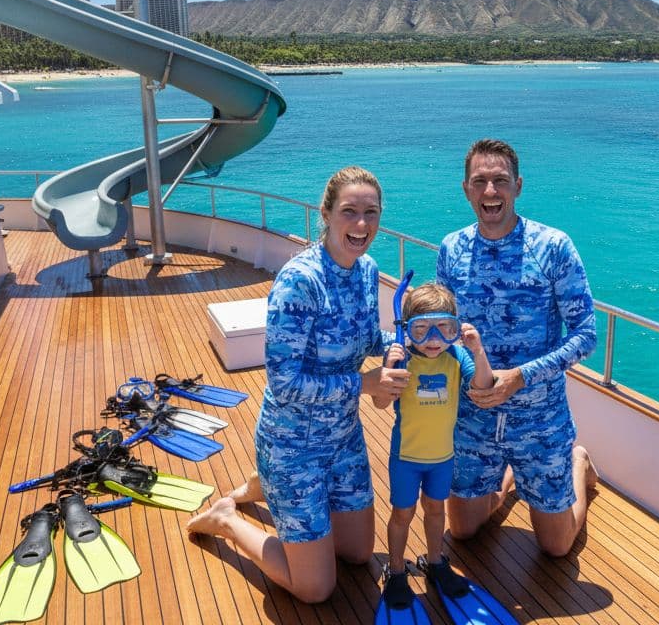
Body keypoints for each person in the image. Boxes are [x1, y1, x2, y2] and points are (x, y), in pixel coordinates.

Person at [186, 166, 409, 603]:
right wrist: (364, 384)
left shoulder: (366, 271)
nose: (361, 225)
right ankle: (227, 518)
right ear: (326, 213)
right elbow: (284, 382)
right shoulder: (299, 281)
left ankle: (261, 485)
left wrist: (405, 346)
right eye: (349, 211)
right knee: (316, 588)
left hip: (343, 438)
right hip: (294, 445)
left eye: (371, 212)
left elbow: (366, 340)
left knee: (359, 555)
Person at [437, 138, 599, 557]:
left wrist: (521, 376)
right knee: (464, 534)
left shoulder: (553, 246)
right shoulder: (451, 249)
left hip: (539, 421)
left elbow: (585, 334)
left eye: (500, 181)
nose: (491, 191)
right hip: (474, 420)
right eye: (480, 181)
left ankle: (576, 462)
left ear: (518, 186)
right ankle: (508, 477)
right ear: (466, 189)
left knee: (557, 547)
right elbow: (444, 332)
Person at [373, 282, 493, 608]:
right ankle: (397, 570)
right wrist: (388, 368)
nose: (433, 340)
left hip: (442, 457)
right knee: (402, 514)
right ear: (407, 328)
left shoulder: (456, 357)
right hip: (407, 457)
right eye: (422, 330)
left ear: (456, 329)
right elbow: (381, 405)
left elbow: (483, 387)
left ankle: (436, 562)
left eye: (444, 329)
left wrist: (477, 352)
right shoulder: (403, 358)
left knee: (436, 510)